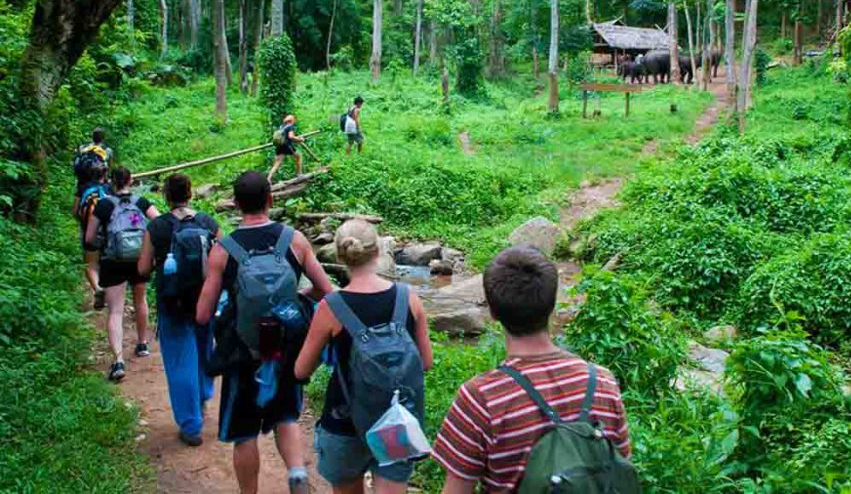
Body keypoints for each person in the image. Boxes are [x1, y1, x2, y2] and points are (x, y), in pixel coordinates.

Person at [432, 246, 633, 493]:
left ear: (493, 313)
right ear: (552, 305)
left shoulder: (480, 398)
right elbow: (621, 468)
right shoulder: (602, 381)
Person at [196, 171, 334, 494]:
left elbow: (203, 314)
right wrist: (297, 300)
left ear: (235, 204)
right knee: (286, 416)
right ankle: (298, 473)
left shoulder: (224, 250)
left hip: (243, 354)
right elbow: (326, 290)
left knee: (244, 434)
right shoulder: (294, 240)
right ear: (270, 199)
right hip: (285, 350)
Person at [295, 219, 434, 494]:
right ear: (378, 251)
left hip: (344, 418)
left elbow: (301, 371)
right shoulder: (408, 298)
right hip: (397, 417)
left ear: (339, 254)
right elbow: (425, 363)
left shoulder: (330, 307)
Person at [138, 173, 221, 446]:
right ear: (191, 193)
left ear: (165, 195)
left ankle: (190, 424)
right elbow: (227, 256)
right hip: (205, 300)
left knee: (179, 361)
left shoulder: (157, 227)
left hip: (172, 302)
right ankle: (203, 394)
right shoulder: (207, 222)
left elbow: (142, 268)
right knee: (203, 349)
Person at [85, 166, 159, 382]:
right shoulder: (141, 202)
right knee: (141, 300)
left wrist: (105, 241)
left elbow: (89, 238)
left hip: (113, 260)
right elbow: (160, 221)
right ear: (131, 180)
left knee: (115, 311)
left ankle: (118, 361)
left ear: (111, 181)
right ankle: (143, 344)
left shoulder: (104, 204)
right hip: (139, 258)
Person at [73, 127, 114, 310]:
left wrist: (82, 221)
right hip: (107, 230)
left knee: (90, 264)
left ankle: (97, 288)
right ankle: (111, 291)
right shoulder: (109, 190)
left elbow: (75, 210)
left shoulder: (82, 187)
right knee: (106, 260)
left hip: (88, 226)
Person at [269, 114, 304, 183]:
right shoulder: (290, 126)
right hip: (287, 146)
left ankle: (268, 179)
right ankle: (299, 174)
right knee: (299, 156)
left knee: (277, 163)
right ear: (292, 120)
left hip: (279, 146)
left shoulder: (281, 126)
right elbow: (291, 137)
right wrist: (300, 139)